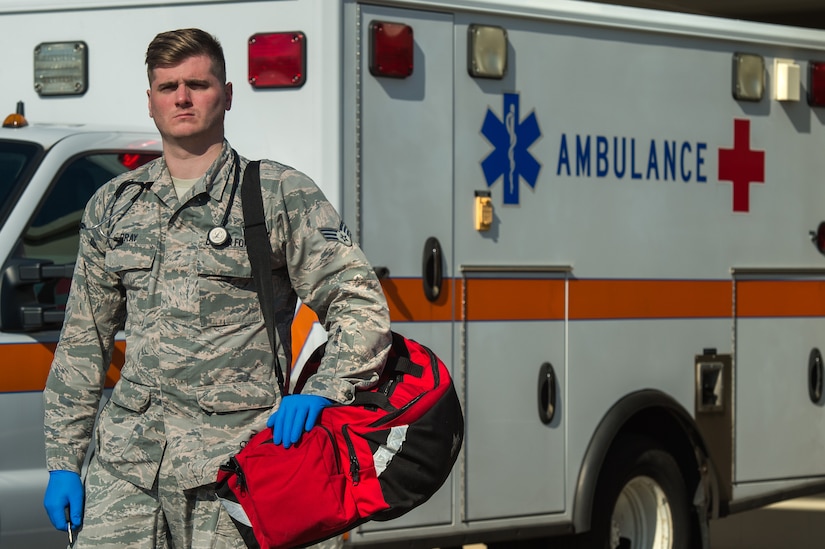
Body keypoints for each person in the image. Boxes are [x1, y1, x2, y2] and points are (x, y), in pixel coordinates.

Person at [42, 28, 392, 548]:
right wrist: (63, 461)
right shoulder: (114, 205)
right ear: (151, 102)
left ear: (227, 95)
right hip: (127, 471)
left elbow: (358, 303)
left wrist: (323, 391)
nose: (182, 98)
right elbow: (82, 343)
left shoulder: (274, 193)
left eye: (197, 84)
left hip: (237, 470)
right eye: (168, 87)